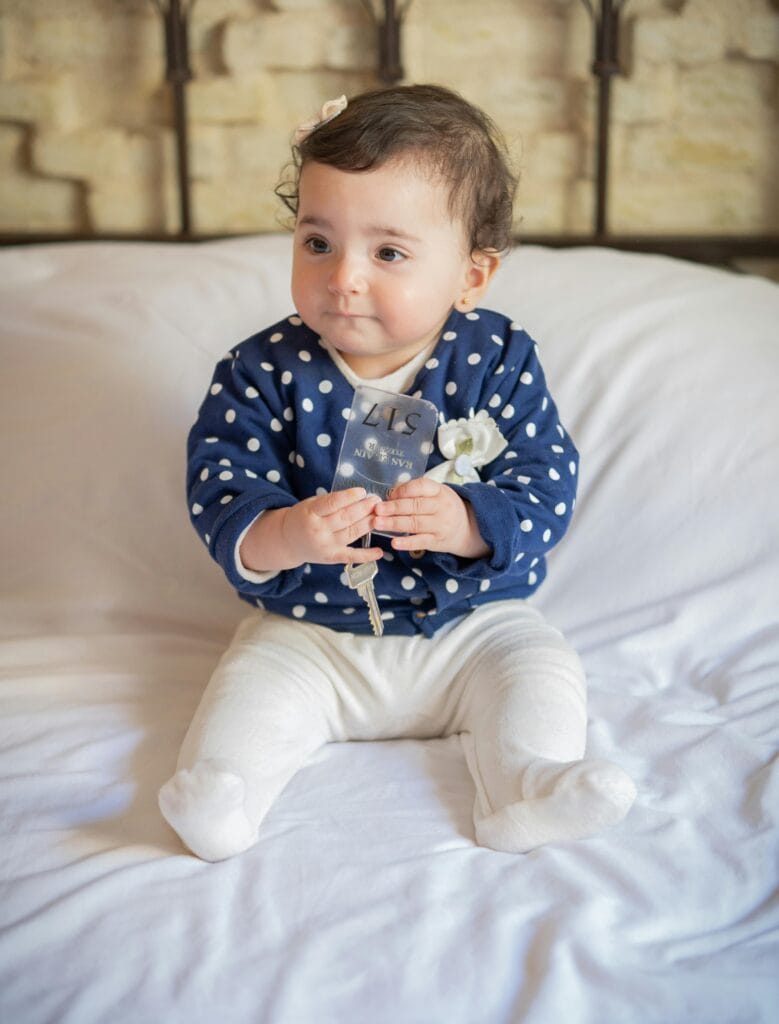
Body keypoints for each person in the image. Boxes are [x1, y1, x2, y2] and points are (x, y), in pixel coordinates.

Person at [159, 84, 636, 861]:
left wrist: (470, 521)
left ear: (470, 275)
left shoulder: (498, 361)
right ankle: (225, 795)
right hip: (312, 634)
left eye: (387, 253)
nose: (344, 276)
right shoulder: (259, 371)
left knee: (539, 665)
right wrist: (285, 530)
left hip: (470, 626)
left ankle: (526, 788)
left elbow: (546, 483)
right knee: (251, 685)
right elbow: (218, 488)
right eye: (318, 242)